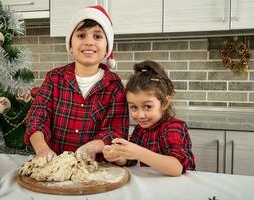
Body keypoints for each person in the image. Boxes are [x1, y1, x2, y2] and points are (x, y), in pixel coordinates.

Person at [24, 5, 129, 161]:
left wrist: (92, 147)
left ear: (107, 48)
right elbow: (36, 119)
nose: (89, 42)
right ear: (70, 46)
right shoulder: (54, 78)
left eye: (98, 36)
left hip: (95, 171)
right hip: (53, 165)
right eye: (81, 35)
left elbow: (116, 131)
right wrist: (42, 150)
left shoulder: (114, 87)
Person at [103, 61, 195, 176]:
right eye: (133, 107)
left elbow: (176, 168)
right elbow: (130, 160)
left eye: (147, 106)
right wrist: (118, 156)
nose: (140, 115)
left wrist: (138, 152)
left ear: (165, 103)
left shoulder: (173, 127)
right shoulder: (140, 129)